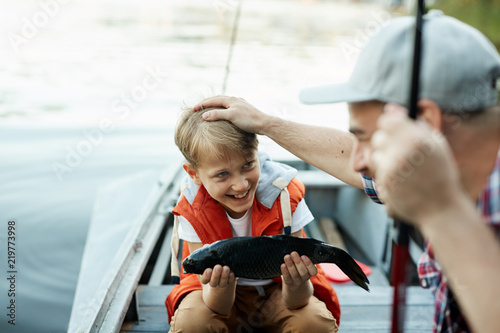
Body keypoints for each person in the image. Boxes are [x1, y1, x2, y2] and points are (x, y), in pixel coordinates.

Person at [193, 11, 500, 333]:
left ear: (426, 122)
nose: (357, 163)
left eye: (368, 138)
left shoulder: (445, 196)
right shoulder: (443, 171)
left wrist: (442, 211)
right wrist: (266, 124)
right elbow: (348, 154)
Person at [165, 103, 340, 332]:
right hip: (215, 297)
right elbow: (215, 305)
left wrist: (295, 282)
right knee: (193, 324)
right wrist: (220, 288)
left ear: (258, 154)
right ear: (194, 175)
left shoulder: (285, 196)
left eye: (248, 164)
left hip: (278, 292)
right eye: (222, 174)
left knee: (314, 324)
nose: (240, 184)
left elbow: (298, 301)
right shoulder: (192, 208)